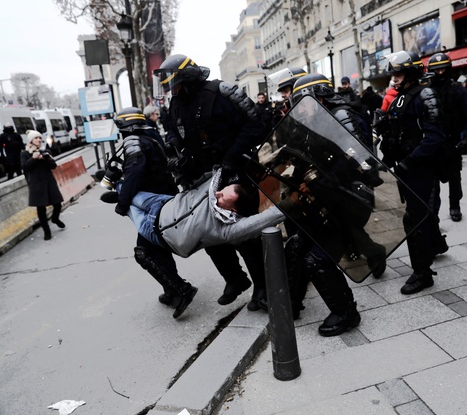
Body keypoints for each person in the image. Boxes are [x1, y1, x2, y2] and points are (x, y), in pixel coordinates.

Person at [154, 54, 269, 311]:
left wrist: (231, 156)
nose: (172, 90)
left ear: (187, 78)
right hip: (199, 177)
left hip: (232, 173)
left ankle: (263, 288)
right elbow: (174, 129)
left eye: (175, 84)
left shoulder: (222, 92)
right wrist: (175, 148)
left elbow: (256, 124)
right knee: (205, 230)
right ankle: (235, 278)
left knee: (244, 234)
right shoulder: (176, 103)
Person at [101, 107, 198, 320]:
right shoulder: (150, 137)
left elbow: (135, 174)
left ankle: (182, 289)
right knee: (157, 249)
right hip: (165, 198)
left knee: (143, 252)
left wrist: (122, 202)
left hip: (154, 205)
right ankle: (172, 290)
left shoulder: (133, 142)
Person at [291, 72, 387, 273]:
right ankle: (371, 251)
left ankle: (373, 252)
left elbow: (354, 158)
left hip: (349, 185)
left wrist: (321, 178)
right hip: (332, 184)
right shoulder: (319, 118)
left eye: (303, 102)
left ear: (318, 97)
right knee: (341, 224)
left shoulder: (341, 116)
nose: (300, 107)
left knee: (343, 225)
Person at [103, 166, 292, 259]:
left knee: (128, 208)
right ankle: (117, 186)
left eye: (221, 197)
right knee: (129, 193)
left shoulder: (227, 229)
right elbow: (218, 171)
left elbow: (262, 220)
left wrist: (291, 204)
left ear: (233, 209)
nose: (216, 193)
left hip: (158, 232)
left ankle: (121, 199)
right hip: (164, 205)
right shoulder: (217, 185)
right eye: (222, 190)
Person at [376, 50, 448, 295]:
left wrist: (410, 161)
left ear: (412, 72)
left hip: (421, 168)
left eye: (399, 73)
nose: (394, 78)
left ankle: (422, 274)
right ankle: (435, 246)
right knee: (420, 217)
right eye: (393, 74)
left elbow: (435, 136)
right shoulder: (399, 97)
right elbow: (398, 135)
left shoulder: (425, 94)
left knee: (415, 219)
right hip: (405, 168)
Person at [427, 53, 467, 222]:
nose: (440, 73)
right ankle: (431, 210)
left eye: (443, 69)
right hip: (432, 143)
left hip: (452, 142)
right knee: (432, 181)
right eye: (436, 70)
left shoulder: (459, 90)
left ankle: (455, 206)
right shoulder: (427, 92)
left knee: (454, 178)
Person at [20, 130, 65, 241]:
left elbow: (53, 166)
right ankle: (47, 231)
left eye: (40, 138)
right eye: (36, 138)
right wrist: (34, 158)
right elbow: (25, 167)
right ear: (31, 140)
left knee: (58, 204)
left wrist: (46, 158)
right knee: (41, 209)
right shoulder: (25, 153)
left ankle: (55, 218)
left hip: (49, 182)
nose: (39, 140)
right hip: (36, 184)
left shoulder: (46, 151)